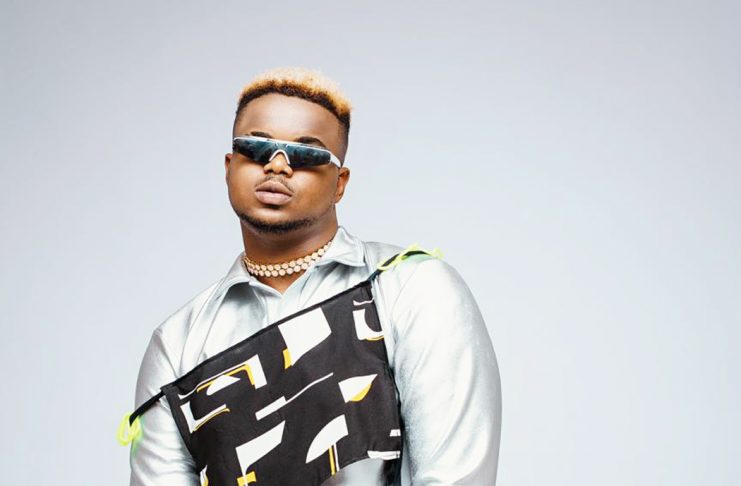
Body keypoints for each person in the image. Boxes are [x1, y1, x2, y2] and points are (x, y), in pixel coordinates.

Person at [125, 67, 502, 486]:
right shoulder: (176, 345)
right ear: (229, 167)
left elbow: (456, 477)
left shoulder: (411, 288)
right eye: (256, 147)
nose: (277, 165)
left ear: (340, 183)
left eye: (306, 154)